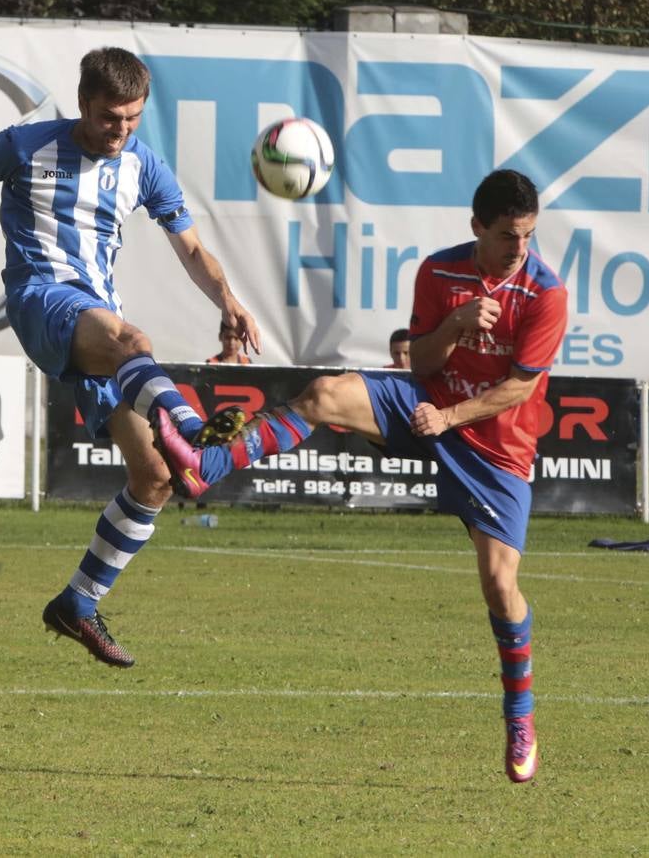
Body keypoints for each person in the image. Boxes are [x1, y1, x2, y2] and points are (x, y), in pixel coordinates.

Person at [153, 169, 567, 783]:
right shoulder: (438, 271)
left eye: (527, 236)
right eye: (508, 235)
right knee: (322, 393)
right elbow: (421, 360)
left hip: (494, 445)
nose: (519, 248)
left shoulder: (543, 293)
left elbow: (520, 387)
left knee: (500, 587)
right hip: (422, 403)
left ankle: (520, 717)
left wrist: (450, 414)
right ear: (477, 227)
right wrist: (453, 326)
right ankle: (206, 467)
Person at [0, 46, 259, 669]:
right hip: (43, 300)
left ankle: (77, 604)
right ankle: (192, 428)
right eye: (110, 117)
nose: (121, 130)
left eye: (133, 119)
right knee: (134, 343)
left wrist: (228, 298)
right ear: (84, 104)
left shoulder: (143, 165)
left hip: (99, 326)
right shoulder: (31, 144)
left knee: (156, 477)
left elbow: (191, 248)